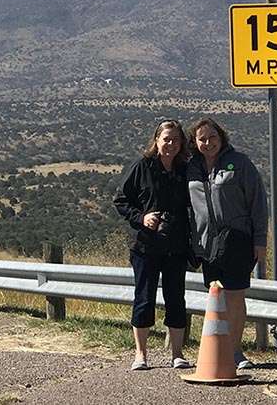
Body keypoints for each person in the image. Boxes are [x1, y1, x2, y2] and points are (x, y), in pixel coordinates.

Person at [186, 117, 267, 370]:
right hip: (207, 242)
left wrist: (260, 240)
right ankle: (217, 352)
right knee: (216, 297)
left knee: (234, 296)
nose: (208, 143)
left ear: (221, 138)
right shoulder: (190, 169)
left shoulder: (240, 164)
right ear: (194, 142)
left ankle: (235, 352)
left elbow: (258, 203)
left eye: (212, 137)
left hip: (237, 240)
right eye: (202, 139)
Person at [114, 119, 192, 371]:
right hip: (146, 246)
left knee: (176, 299)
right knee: (144, 298)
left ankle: (177, 354)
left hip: (176, 246)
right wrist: (141, 218)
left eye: (175, 140)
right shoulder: (142, 167)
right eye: (166, 139)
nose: (170, 144)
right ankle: (141, 354)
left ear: (182, 144)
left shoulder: (185, 170)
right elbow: (121, 200)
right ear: (156, 140)